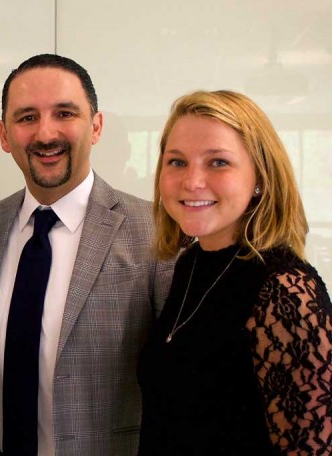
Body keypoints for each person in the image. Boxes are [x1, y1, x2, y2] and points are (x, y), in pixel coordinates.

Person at [0, 53, 173, 455]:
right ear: (4, 136)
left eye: (64, 113)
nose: (45, 134)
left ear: (96, 126)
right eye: (27, 118)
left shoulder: (156, 231)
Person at [137, 90, 332, 454]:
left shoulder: (285, 291)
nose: (192, 181)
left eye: (218, 163)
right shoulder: (190, 264)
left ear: (260, 177)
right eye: (177, 162)